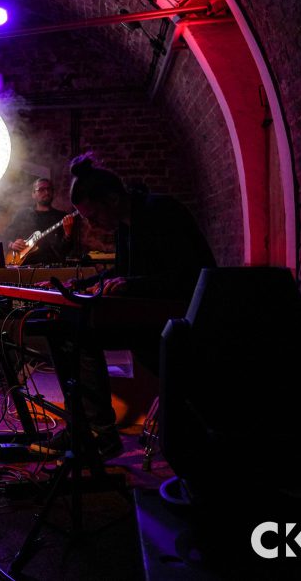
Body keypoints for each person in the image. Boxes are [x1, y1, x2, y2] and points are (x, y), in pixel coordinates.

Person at [38, 154, 216, 459]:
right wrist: (76, 286)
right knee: (63, 328)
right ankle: (83, 429)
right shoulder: (125, 224)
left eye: (94, 215)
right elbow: (121, 272)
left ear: (112, 199)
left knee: (78, 333)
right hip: (148, 316)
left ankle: (99, 435)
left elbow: (187, 277)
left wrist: (131, 286)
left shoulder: (161, 212)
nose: (92, 224)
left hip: (180, 320)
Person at [4, 178, 80, 265]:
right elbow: (5, 237)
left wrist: (68, 234)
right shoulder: (23, 215)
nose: (46, 192)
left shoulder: (62, 217)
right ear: (33, 194)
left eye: (49, 189)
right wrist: (11, 244)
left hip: (51, 266)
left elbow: (66, 251)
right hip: (23, 266)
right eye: (41, 190)